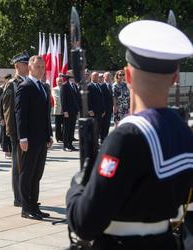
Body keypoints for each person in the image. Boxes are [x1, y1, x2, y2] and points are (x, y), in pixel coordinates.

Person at [66, 20, 193, 250]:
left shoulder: (127, 138)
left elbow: (85, 223)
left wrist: (77, 187)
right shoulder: (185, 133)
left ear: (128, 75)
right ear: (175, 77)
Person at [16, 55, 53, 220]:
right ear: (29, 68)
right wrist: (22, 137)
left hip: (41, 138)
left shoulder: (44, 87)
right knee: (27, 173)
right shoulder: (25, 86)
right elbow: (21, 114)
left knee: (37, 173)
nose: (41, 69)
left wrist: (49, 134)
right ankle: (26, 207)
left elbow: (45, 114)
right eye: (37, 66)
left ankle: (34, 205)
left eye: (42, 67)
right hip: (30, 138)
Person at [3, 51, 29, 207]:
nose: (27, 66)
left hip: (27, 130)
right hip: (17, 131)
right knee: (18, 164)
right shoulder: (11, 84)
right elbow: (8, 109)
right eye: (25, 64)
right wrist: (13, 132)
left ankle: (26, 195)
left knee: (27, 165)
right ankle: (18, 198)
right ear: (17, 66)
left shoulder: (28, 82)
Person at [61, 70, 80, 151]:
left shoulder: (74, 85)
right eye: (72, 74)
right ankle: (65, 145)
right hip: (67, 111)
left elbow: (77, 99)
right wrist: (65, 111)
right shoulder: (64, 85)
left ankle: (70, 144)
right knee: (67, 128)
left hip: (74, 111)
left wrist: (78, 109)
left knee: (72, 128)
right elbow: (63, 99)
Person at [88, 71, 105, 142]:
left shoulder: (99, 85)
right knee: (93, 128)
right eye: (95, 76)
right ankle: (93, 143)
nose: (97, 77)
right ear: (91, 77)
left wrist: (103, 110)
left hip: (99, 111)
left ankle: (96, 143)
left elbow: (102, 99)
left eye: (97, 76)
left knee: (98, 127)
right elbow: (88, 99)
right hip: (93, 111)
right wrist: (90, 110)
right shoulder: (89, 86)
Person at [0, 74, 12, 158]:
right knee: (4, 134)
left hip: (10, 115)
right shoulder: (1, 89)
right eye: (7, 79)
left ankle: (10, 149)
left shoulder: (11, 88)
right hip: (4, 115)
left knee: (10, 133)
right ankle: (6, 151)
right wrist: (1, 118)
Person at [100, 71, 113, 142]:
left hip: (110, 109)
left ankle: (106, 137)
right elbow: (101, 99)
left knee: (107, 124)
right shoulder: (102, 86)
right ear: (104, 77)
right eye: (107, 76)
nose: (108, 77)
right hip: (104, 109)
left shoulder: (111, 86)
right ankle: (102, 138)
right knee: (103, 125)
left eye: (109, 76)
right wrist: (103, 109)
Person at [52, 77, 64, 142]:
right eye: (58, 81)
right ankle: (58, 137)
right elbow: (57, 99)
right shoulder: (55, 89)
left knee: (64, 124)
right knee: (58, 125)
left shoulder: (64, 88)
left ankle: (62, 136)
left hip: (64, 110)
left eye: (61, 81)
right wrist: (62, 107)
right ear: (56, 82)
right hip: (58, 109)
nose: (60, 82)